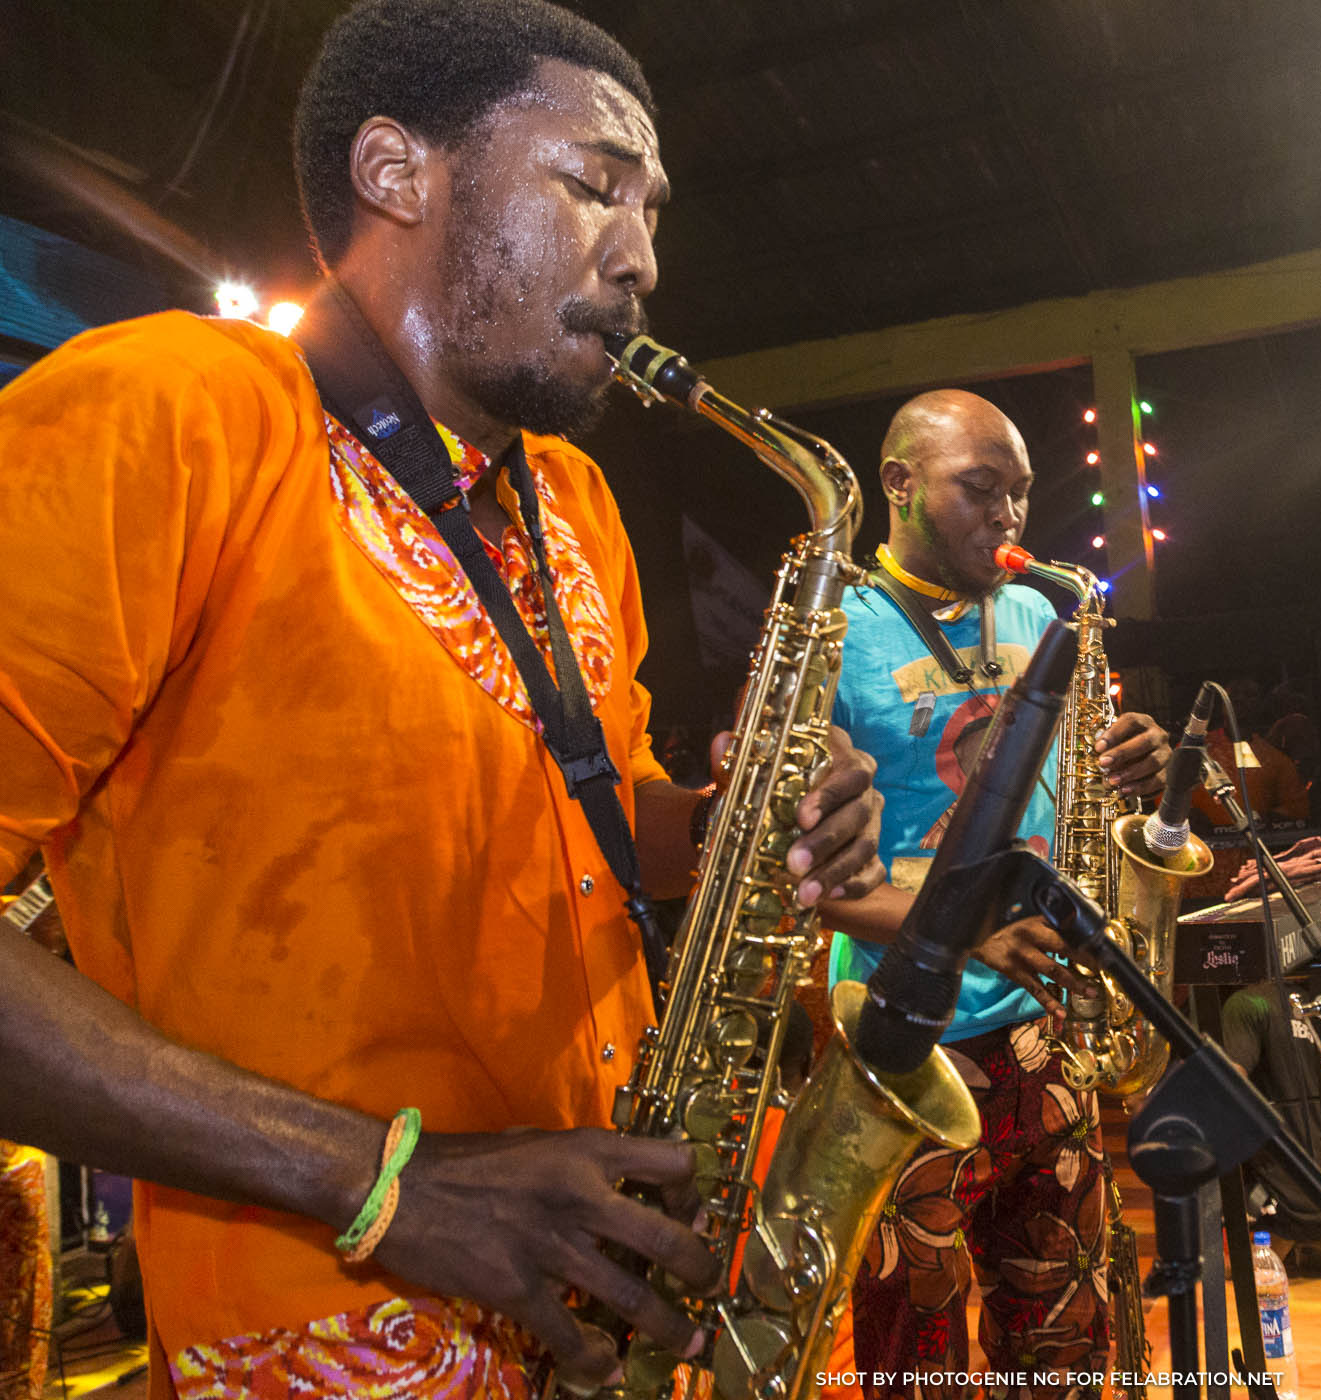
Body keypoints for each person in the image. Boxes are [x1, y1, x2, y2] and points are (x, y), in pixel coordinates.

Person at [0, 3, 888, 1394]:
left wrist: (730, 827)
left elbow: (593, 820)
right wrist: (386, 1183)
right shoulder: (165, 407)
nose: (643, 257)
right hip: (316, 1330)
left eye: (652, 209)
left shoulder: (573, 500)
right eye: (594, 185)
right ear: (395, 172)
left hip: (594, 1289)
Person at [816, 390, 1170, 1399]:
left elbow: (1070, 802)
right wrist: (966, 925)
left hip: (1045, 1033)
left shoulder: (1036, 615)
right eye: (980, 488)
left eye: (1019, 492)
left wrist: (1133, 765)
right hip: (905, 1049)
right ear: (898, 484)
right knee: (914, 1356)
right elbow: (806, 881)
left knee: (1065, 1337)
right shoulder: (836, 635)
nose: (1009, 515)